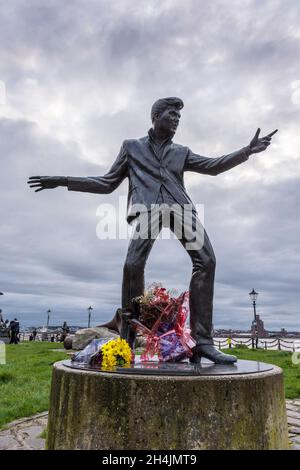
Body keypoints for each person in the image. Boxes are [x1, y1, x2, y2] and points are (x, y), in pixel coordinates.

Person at [27, 97, 277, 364]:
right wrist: (63, 181)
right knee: (132, 265)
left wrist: (246, 151)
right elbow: (107, 182)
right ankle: (127, 341)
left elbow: (213, 166)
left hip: (181, 209)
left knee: (207, 260)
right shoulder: (132, 147)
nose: (177, 120)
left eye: (179, 117)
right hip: (148, 210)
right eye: (172, 115)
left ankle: (203, 342)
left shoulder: (182, 151)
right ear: (156, 117)